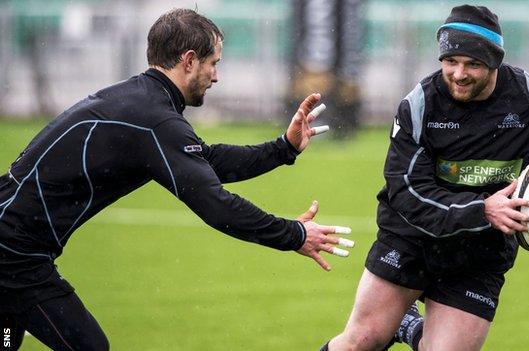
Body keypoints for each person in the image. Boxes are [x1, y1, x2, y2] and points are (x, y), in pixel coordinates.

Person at [0, 9, 352, 350]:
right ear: (188, 60)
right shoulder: (154, 119)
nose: (216, 76)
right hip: (14, 253)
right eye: (213, 63)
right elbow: (216, 206)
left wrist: (283, 148)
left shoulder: (143, 102)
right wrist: (294, 235)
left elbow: (205, 161)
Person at [321, 5, 529, 351]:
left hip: (482, 251)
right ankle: (403, 323)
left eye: (472, 63)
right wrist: (482, 210)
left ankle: (411, 328)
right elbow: (406, 190)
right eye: (450, 61)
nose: (459, 73)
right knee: (361, 341)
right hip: (413, 238)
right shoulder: (419, 104)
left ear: (494, 62)